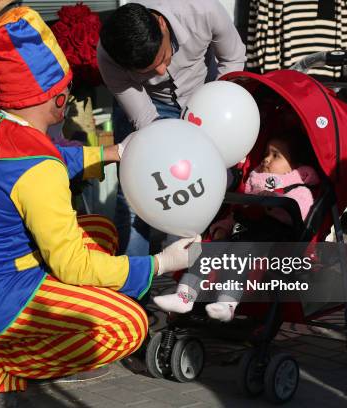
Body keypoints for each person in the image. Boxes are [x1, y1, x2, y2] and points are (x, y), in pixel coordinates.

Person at [0, 7, 199, 407]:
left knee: (103, 233)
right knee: (126, 326)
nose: (71, 99)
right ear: (58, 98)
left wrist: (112, 151)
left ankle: (55, 327)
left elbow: (55, 157)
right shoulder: (37, 171)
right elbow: (71, 262)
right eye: (68, 93)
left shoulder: (1, 124)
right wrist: (160, 264)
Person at [98, 0, 247, 256]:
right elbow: (145, 118)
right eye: (148, 71)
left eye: (164, 57)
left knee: (206, 181)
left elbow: (232, 58)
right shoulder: (108, 56)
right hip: (150, 106)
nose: (162, 70)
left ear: (162, 25)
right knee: (136, 196)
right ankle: (134, 285)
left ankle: (194, 276)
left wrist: (217, 105)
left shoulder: (203, 9)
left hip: (205, 97)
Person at [153, 134, 319, 322]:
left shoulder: (299, 190)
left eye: (276, 156)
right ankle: (184, 297)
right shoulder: (253, 188)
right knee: (206, 250)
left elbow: (299, 215)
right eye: (266, 153)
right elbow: (237, 214)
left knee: (239, 253)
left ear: (295, 165)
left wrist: (274, 201)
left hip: (273, 245)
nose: (266, 159)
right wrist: (222, 227)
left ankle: (227, 303)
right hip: (242, 235)